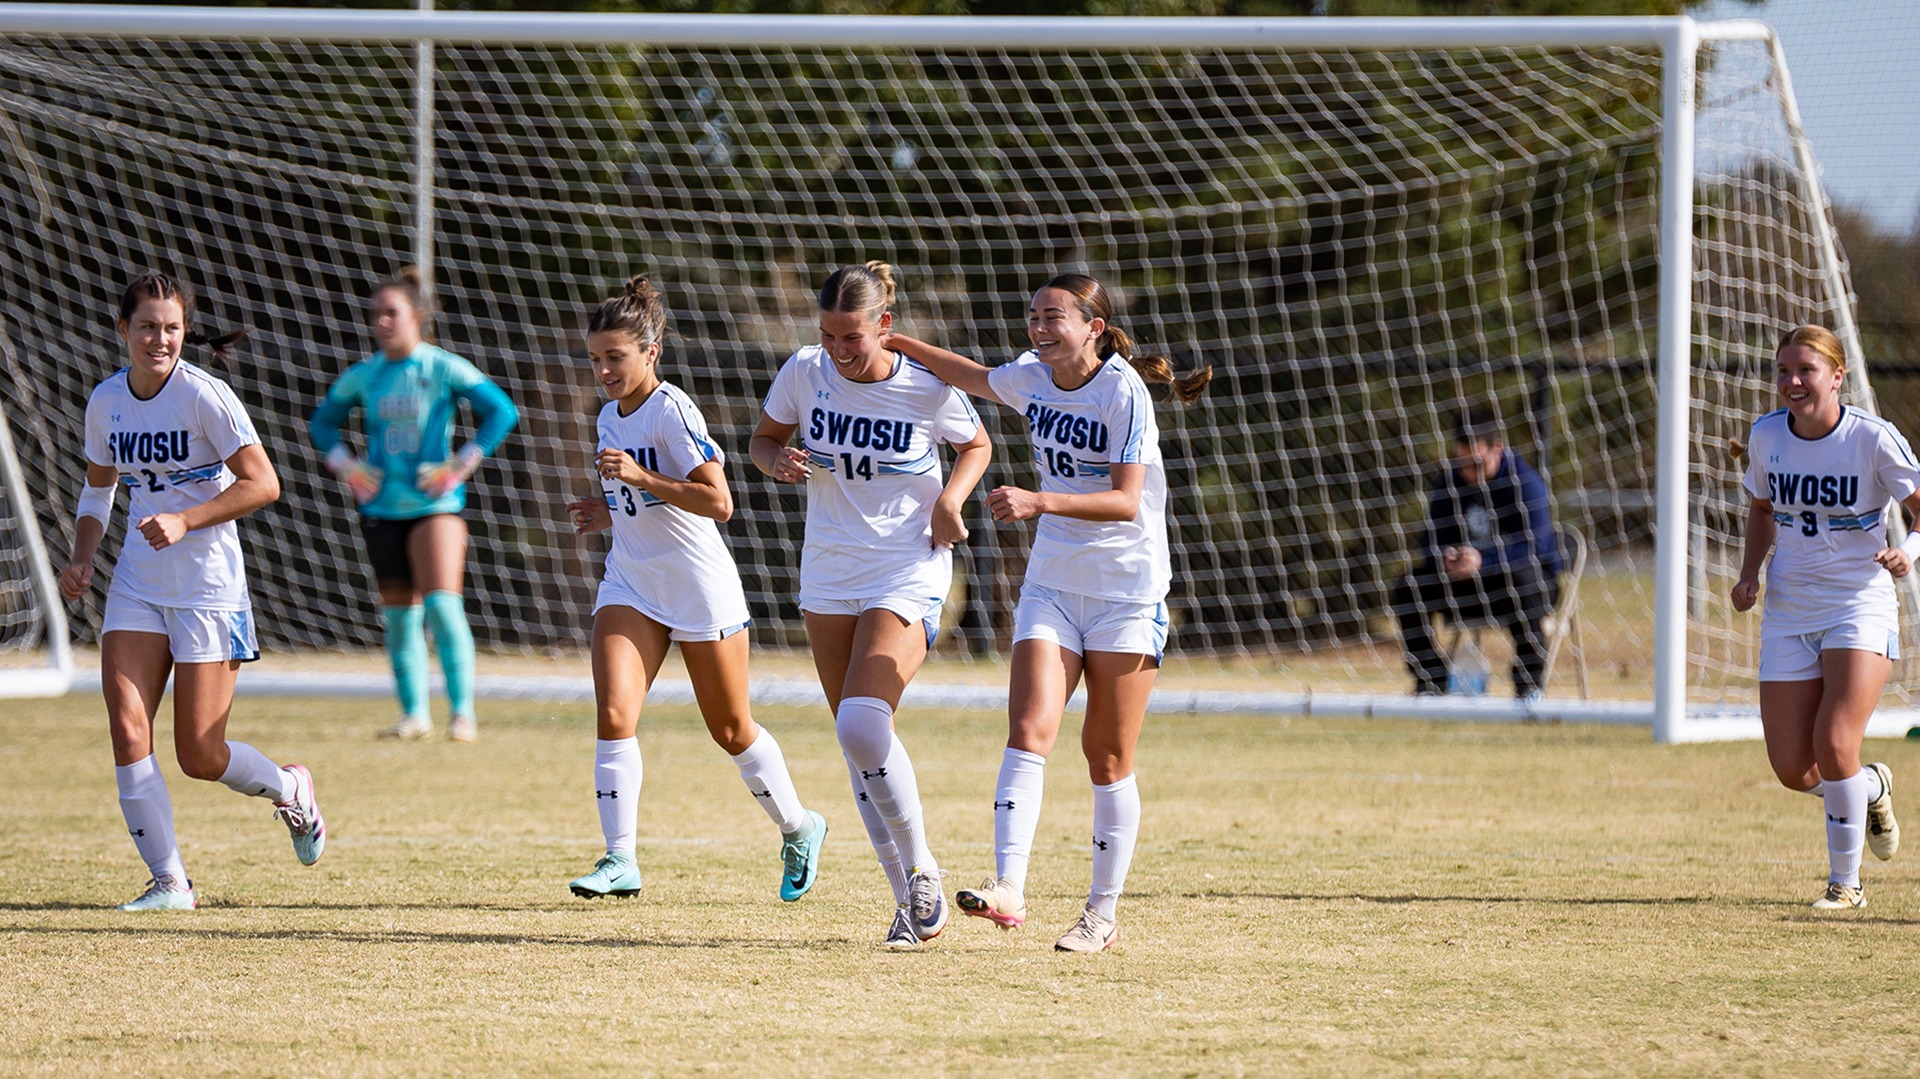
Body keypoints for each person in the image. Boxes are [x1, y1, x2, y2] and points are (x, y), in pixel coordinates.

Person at [885, 272, 1211, 954]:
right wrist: (893, 339)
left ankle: (1101, 913)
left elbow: (1126, 501)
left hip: (1127, 592)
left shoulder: (1123, 391)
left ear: (1092, 327)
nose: (1037, 326)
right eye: (1033, 314)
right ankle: (1008, 887)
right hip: (1053, 585)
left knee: (1106, 754)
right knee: (1028, 727)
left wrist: (1039, 501)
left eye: (1052, 316)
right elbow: (973, 376)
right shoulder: (1032, 374)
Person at [59, 271, 325, 911]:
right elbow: (101, 489)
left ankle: (290, 788)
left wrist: (184, 519)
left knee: (200, 755)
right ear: (123, 330)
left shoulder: (206, 395)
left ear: (184, 332)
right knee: (127, 731)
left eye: (171, 327)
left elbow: (263, 484)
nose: (160, 338)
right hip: (137, 587)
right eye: (147, 326)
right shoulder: (107, 402)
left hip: (209, 591)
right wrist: (83, 559)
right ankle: (170, 882)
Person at [562, 275, 828, 902]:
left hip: (697, 587)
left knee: (732, 729)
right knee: (613, 714)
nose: (604, 370)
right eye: (596, 358)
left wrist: (641, 478)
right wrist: (610, 508)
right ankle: (619, 859)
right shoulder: (608, 415)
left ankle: (799, 825)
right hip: (631, 580)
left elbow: (719, 501)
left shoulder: (673, 408)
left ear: (650, 352)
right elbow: (637, 494)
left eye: (615, 358)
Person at [749, 261, 992, 948]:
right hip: (828, 572)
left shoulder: (924, 385)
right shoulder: (804, 370)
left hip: (906, 567)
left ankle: (923, 870)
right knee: (858, 748)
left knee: (861, 723)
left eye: (851, 336)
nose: (838, 350)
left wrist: (952, 499)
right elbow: (762, 439)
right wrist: (774, 460)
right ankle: (909, 910)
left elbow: (977, 444)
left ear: (885, 325)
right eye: (827, 335)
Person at [1732, 324, 1906, 909]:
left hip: (1858, 603)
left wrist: (1908, 552)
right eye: (1783, 371)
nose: (1792, 382)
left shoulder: (1872, 439)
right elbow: (1762, 508)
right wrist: (1750, 572)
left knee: (1835, 742)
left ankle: (1845, 885)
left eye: (1805, 370)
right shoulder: (1766, 435)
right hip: (1789, 608)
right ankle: (1871, 785)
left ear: (1837, 376)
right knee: (1791, 766)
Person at [309, 268, 518, 742]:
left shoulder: (442, 367)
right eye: (376, 314)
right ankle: (413, 716)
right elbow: (322, 424)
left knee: (443, 607)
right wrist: (348, 466)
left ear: (418, 317)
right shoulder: (364, 376)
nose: (382, 322)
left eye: (392, 312)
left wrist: (459, 465)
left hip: (435, 506)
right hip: (383, 508)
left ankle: (462, 714)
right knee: (401, 617)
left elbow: (502, 410)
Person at [1392, 406, 1563, 698]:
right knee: (1407, 586)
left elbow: (1534, 547)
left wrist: (1485, 562)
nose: (1467, 471)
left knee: (1524, 580)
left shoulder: (1526, 484)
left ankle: (1529, 687)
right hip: (1466, 585)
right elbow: (1429, 538)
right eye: (1461, 463)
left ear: (1496, 448)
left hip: (1519, 586)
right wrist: (1445, 558)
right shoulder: (1449, 482)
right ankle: (1431, 682)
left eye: (1475, 463)